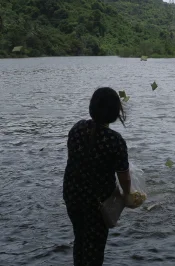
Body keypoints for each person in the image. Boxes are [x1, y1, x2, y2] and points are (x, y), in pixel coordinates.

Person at [63, 87, 132, 265]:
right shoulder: (114, 140)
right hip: (97, 203)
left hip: (73, 196)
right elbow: (124, 177)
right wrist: (127, 195)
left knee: (80, 239)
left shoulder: (77, 128)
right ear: (115, 112)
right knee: (95, 246)